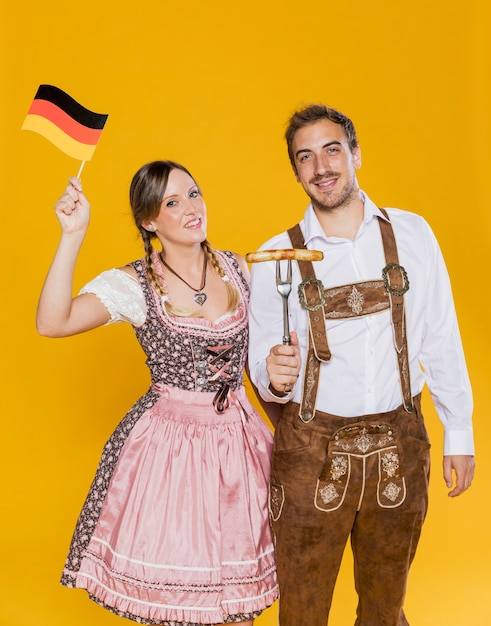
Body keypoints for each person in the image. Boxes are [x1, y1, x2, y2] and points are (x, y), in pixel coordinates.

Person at [247, 104, 475, 626]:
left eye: (331, 150)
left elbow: (441, 335)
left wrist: (458, 430)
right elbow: (263, 368)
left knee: (384, 606)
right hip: (309, 454)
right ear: (296, 171)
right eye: (305, 157)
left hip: (401, 442)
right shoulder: (277, 256)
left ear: (355, 154)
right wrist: (272, 374)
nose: (321, 166)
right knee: (302, 612)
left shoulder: (412, 235)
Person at [37, 160, 278, 625]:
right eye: (172, 202)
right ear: (149, 221)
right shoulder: (137, 285)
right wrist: (72, 236)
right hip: (172, 453)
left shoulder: (242, 269)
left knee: (239, 603)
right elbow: (53, 322)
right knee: (181, 602)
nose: (192, 207)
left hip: (240, 446)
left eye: (193, 193)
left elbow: (271, 361)